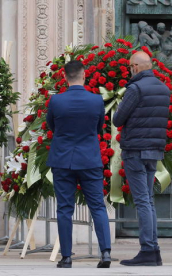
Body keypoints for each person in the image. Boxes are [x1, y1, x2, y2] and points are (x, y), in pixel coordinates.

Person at [46, 61, 111, 269]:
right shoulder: (96, 100)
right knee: (98, 206)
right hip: (89, 159)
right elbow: (99, 127)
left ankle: (66, 257)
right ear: (84, 75)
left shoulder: (56, 100)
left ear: (65, 77)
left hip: (63, 159)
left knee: (65, 208)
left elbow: (52, 126)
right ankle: (106, 253)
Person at [113, 51, 170, 266]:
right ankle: (153, 250)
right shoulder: (163, 89)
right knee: (148, 200)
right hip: (153, 151)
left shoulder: (135, 89)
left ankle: (147, 250)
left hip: (135, 150)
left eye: (130, 67)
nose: (130, 70)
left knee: (142, 201)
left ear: (136, 66)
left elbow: (119, 119)